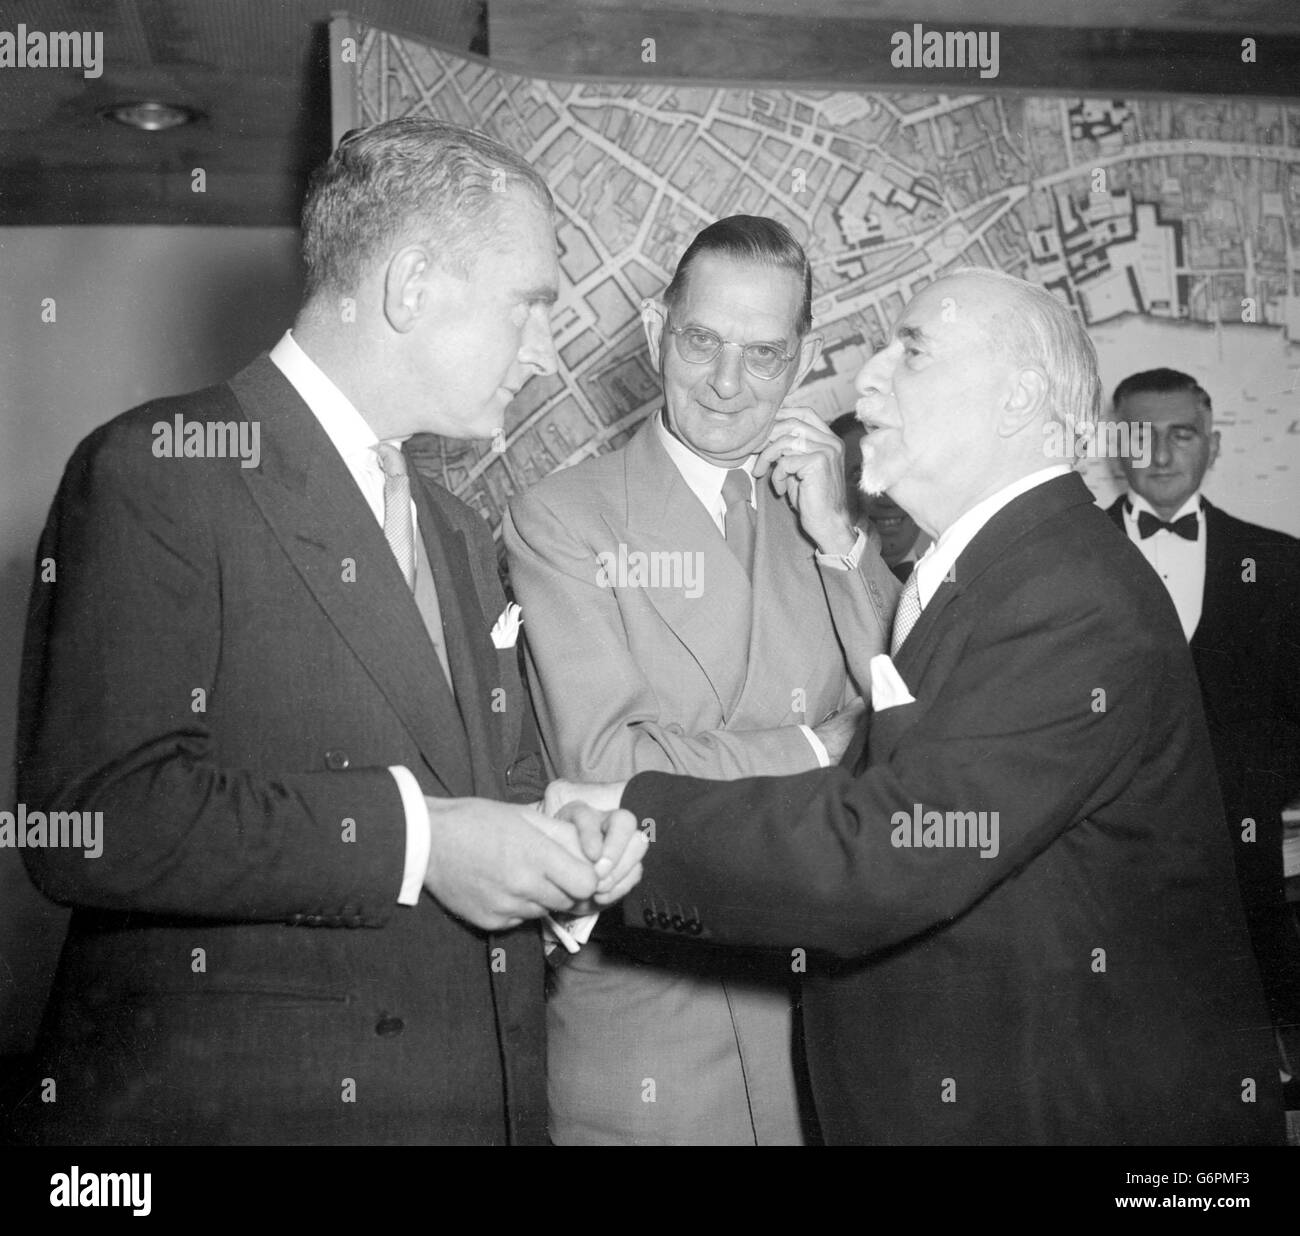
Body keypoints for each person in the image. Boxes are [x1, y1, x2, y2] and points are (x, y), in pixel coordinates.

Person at [8, 118, 639, 1146]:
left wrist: (559, 842)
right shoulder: (158, 469)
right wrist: (420, 842)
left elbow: (492, 788)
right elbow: (94, 820)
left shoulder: (457, 527)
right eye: (532, 306)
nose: (547, 349)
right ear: (413, 283)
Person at [547, 268, 1284, 1145]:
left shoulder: (1068, 592)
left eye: (914, 351)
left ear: (1018, 401)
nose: (866, 378)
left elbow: (899, 841)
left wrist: (640, 821)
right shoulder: (1003, 573)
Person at [503, 216, 898, 1144]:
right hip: (655, 1036)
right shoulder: (564, 517)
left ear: (802, 361)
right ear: (653, 331)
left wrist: (841, 540)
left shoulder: (833, 522)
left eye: (763, 354)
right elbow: (609, 765)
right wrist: (821, 746)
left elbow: (918, 731)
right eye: (701, 341)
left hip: (835, 1023)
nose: (727, 383)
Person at [1105, 368, 1300, 1076]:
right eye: (1140, 435)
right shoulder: (1057, 561)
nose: (1159, 454)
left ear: (1212, 447)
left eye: (1180, 435)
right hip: (1097, 881)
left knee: (1241, 1093)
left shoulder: (1280, 565)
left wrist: (1251, 793)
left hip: (1243, 888)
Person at [831, 412, 928, 580]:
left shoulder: (954, 583)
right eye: (862, 478)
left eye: (899, 476)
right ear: (830, 489)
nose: (889, 500)